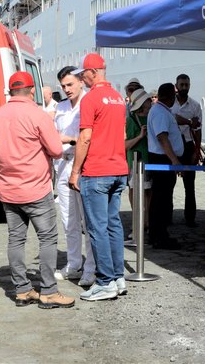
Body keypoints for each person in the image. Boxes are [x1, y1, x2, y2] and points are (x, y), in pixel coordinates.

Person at [0, 71, 75, 309]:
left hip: (8, 188)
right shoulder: (38, 115)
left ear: (10, 91)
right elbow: (56, 150)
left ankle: (23, 290)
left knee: (15, 239)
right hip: (35, 188)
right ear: (32, 90)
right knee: (47, 239)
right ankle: (48, 291)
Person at [68, 53, 128, 302]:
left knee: (97, 228)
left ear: (93, 72)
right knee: (113, 225)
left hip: (97, 170)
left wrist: (75, 171)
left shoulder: (90, 99)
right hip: (118, 168)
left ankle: (105, 282)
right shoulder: (117, 98)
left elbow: (85, 137)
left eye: (84, 74)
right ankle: (117, 276)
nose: (83, 77)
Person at [53, 66, 95, 287]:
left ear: (80, 81)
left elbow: (88, 137)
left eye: (70, 84)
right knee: (68, 219)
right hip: (62, 165)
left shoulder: (89, 103)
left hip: (82, 164)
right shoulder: (59, 107)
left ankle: (91, 268)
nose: (67, 89)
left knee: (87, 221)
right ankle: (73, 264)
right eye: (63, 86)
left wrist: (68, 139)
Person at [147, 83, 184, 250]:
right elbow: (162, 138)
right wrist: (174, 160)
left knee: (161, 198)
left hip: (163, 158)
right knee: (161, 199)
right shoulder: (160, 112)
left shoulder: (161, 111)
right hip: (162, 159)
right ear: (171, 96)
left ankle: (159, 234)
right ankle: (159, 236)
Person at [171, 74, 202, 227]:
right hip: (172, 147)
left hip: (189, 146)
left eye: (186, 84)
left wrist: (197, 150)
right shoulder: (170, 104)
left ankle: (190, 218)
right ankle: (167, 216)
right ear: (176, 85)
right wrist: (189, 122)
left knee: (190, 185)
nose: (184, 87)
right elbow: (173, 118)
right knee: (168, 184)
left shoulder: (195, 106)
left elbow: (198, 129)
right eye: (182, 84)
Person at [125, 88, 153, 243]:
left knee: (148, 194)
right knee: (137, 195)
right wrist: (140, 136)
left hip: (149, 162)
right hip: (137, 162)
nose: (151, 102)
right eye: (148, 100)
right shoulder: (131, 120)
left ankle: (146, 224)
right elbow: (125, 145)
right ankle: (138, 227)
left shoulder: (150, 117)